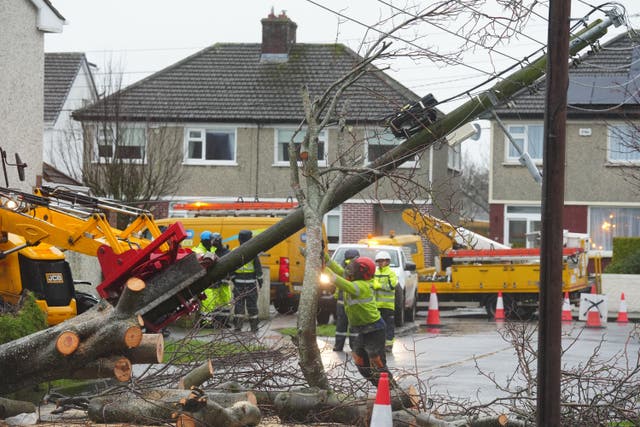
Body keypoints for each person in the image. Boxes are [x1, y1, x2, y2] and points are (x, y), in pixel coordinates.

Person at [324, 255, 392, 387]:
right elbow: (339, 271)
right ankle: (379, 385)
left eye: (353, 269)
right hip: (359, 328)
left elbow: (337, 279)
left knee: (376, 359)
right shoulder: (352, 279)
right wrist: (325, 258)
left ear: (362, 273)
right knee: (359, 359)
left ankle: (390, 386)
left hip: (374, 328)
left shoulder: (360, 286)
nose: (349, 271)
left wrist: (321, 269)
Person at [231, 230, 264, 332]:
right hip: (251, 284)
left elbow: (230, 266)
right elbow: (258, 268)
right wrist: (260, 280)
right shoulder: (253, 252)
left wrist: (233, 278)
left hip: (238, 283)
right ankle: (254, 327)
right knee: (252, 306)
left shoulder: (235, 250)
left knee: (239, 306)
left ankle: (238, 326)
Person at [199, 232, 233, 328]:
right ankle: (211, 322)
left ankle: (223, 322)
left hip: (224, 283)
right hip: (213, 282)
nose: (215, 243)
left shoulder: (226, 252)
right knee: (212, 303)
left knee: (224, 303)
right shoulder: (210, 252)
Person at [332, 248, 360, 352]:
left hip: (352, 304)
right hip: (343, 303)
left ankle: (354, 346)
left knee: (353, 326)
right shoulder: (344, 271)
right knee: (341, 325)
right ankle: (340, 346)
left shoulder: (359, 272)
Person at [373, 250, 398, 353]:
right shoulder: (375, 272)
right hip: (376, 305)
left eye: (382, 261)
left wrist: (379, 286)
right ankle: (379, 344)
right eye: (378, 261)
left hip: (388, 306)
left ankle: (389, 345)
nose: (380, 263)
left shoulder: (391, 273)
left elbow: (392, 286)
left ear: (387, 261)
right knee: (378, 326)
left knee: (389, 326)